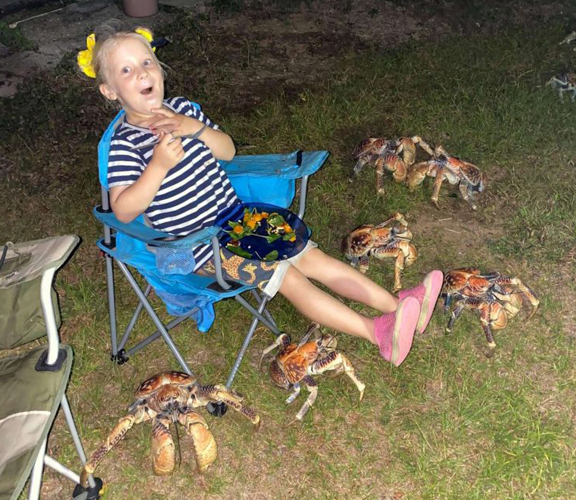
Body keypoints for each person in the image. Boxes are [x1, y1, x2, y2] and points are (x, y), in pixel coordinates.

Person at [86, 24, 441, 367]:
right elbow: (124, 210)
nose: (142, 74)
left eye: (147, 62)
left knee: (314, 259)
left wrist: (192, 128)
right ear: (110, 90)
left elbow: (227, 151)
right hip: (199, 247)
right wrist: (159, 166)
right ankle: (376, 333)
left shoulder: (186, 111)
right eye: (127, 70)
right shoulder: (125, 146)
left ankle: (398, 307)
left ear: (160, 70)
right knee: (290, 277)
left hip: (241, 219)